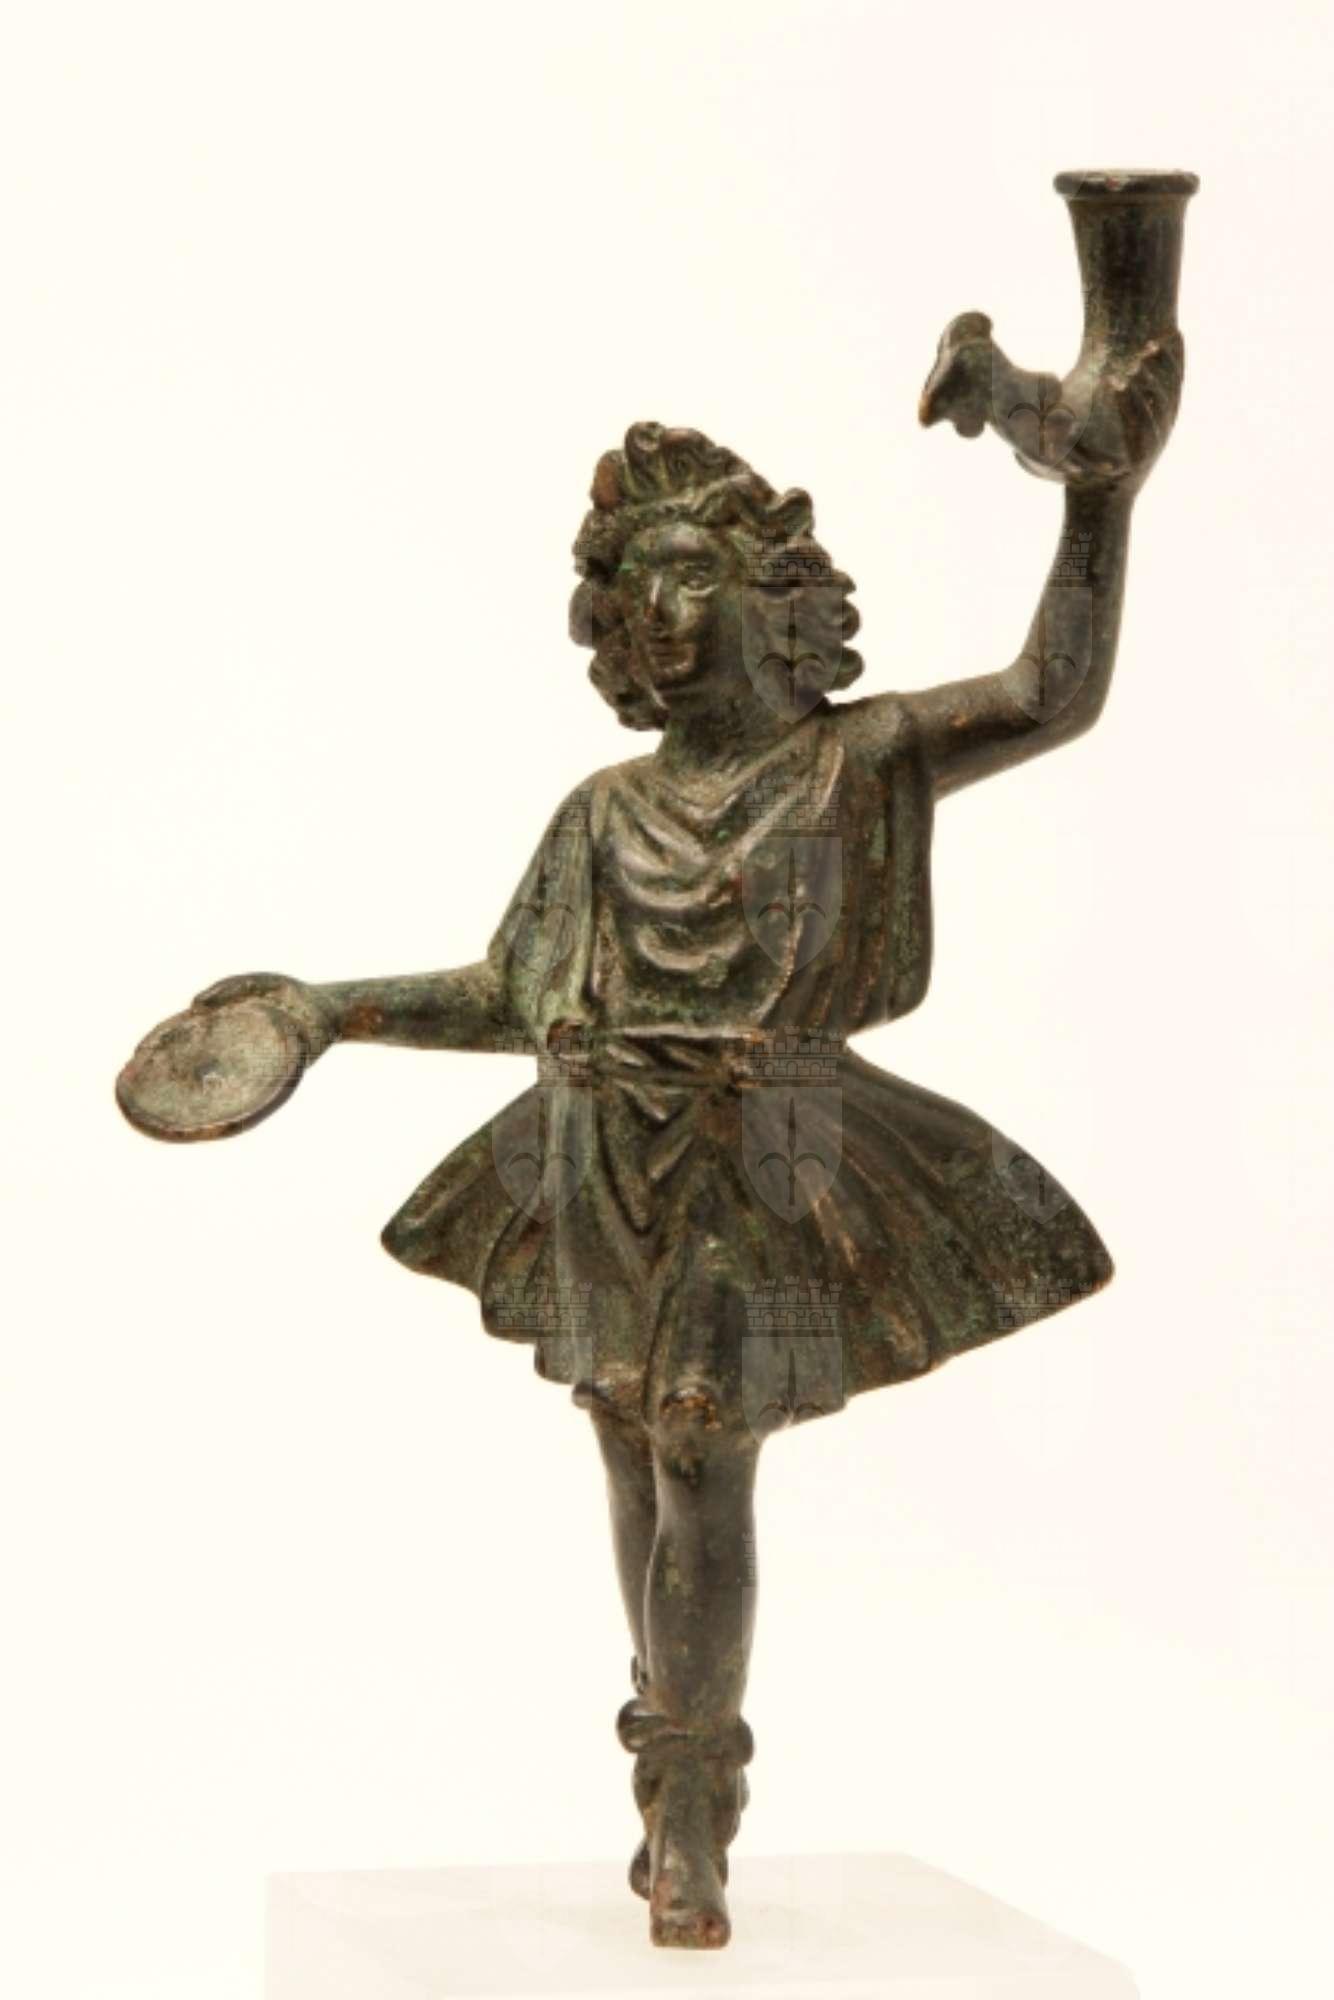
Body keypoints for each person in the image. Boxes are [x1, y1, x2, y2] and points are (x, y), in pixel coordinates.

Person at [194, 385, 1176, 1946]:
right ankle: (664, 1772)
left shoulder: (861, 759)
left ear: (776, 602)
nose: (654, 608)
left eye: (689, 574)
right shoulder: (603, 813)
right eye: (630, 584)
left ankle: (695, 1802)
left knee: (703, 1438)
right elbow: (514, 994)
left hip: (781, 1133)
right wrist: (326, 1009)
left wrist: (1097, 502)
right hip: (595, 1141)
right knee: (625, 1441)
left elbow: (1048, 692)